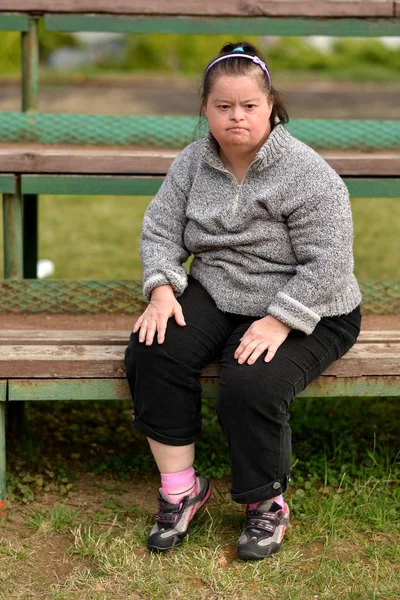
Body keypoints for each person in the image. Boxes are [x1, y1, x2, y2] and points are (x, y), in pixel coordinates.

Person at [124, 41, 362, 561]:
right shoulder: (191, 163)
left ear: (271, 105)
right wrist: (163, 287)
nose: (237, 117)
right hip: (220, 289)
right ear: (205, 109)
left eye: (250, 106)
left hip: (313, 304)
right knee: (153, 348)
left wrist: (279, 322)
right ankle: (181, 489)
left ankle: (266, 505)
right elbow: (161, 230)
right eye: (223, 106)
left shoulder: (307, 172)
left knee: (251, 378)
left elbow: (329, 264)